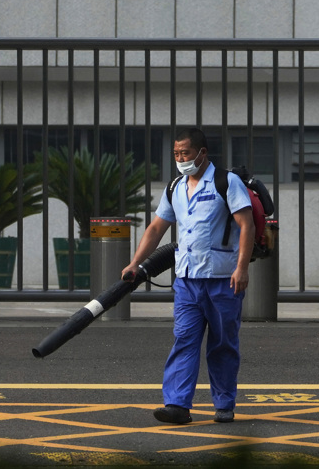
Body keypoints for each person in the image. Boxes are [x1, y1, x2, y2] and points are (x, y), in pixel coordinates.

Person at [123, 126, 253, 426]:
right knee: (184, 340)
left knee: (222, 344)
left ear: (202, 153)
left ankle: (224, 404)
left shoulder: (226, 182)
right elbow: (157, 228)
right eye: (176, 154)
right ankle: (177, 405)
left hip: (223, 279)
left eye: (185, 153)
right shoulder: (176, 187)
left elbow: (247, 225)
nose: (181, 159)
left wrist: (242, 268)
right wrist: (135, 263)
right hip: (187, 281)